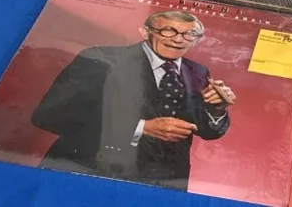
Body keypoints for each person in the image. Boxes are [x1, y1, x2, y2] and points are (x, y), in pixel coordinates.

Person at [31, 11, 236, 191]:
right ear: (145, 32)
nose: (178, 39)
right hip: (91, 171)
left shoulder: (198, 72)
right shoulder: (100, 58)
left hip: (166, 182)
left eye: (189, 34)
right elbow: (49, 116)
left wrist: (217, 108)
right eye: (168, 31)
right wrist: (141, 128)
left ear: (197, 40)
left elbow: (207, 131)